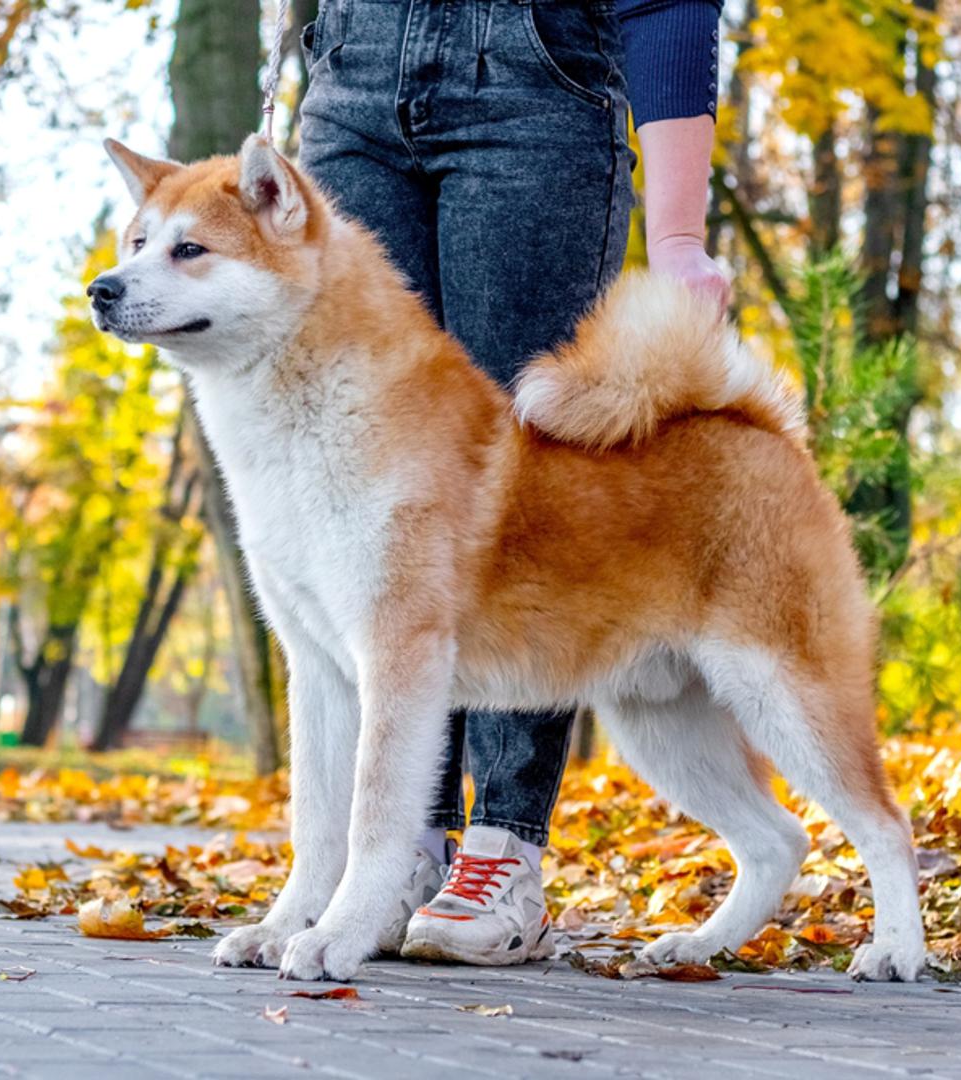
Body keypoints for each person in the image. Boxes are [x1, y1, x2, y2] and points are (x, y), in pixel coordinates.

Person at [296, 0, 728, 965]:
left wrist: (680, 238)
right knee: (364, 471)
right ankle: (395, 847)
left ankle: (503, 846)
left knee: (531, 478)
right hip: (350, 78)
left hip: (531, 80)